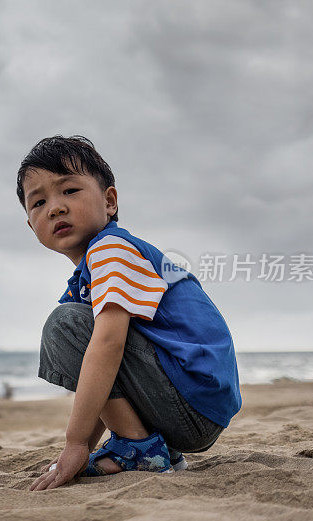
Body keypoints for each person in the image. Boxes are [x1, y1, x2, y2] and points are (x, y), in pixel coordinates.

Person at [17, 136, 241, 491]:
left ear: (109, 201)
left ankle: (138, 448)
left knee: (65, 326)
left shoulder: (111, 249)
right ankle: (151, 447)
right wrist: (83, 448)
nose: (55, 208)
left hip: (191, 403)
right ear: (32, 227)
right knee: (75, 324)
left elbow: (107, 345)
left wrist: (75, 444)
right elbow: (104, 375)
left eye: (70, 191)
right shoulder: (88, 275)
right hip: (193, 406)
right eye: (39, 202)